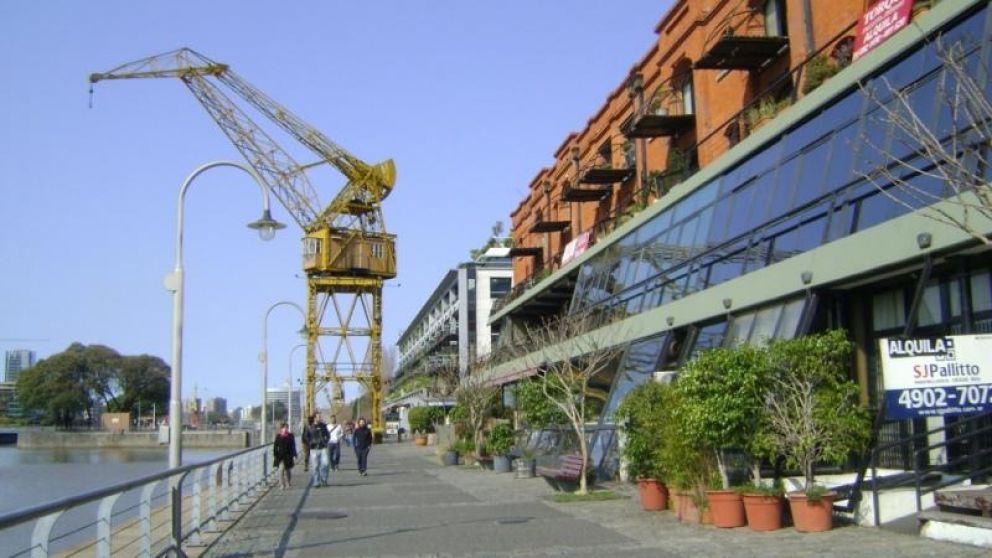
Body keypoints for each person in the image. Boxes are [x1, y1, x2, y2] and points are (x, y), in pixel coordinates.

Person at [307, 414, 331, 487]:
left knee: (326, 464)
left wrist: (325, 440)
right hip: (314, 449)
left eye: (320, 417)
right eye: (318, 417)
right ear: (314, 418)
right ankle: (316, 482)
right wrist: (311, 443)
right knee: (315, 466)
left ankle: (324, 479)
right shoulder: (309, 427)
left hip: (323, 447)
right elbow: (305, 437)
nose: (320, 418)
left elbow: (328, 435)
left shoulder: (323, 426)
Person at [272, 422, 297, 490]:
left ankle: (288, 482)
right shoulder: (278, 436)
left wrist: (294, 454)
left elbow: (293, 445)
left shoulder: (290, 436)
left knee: (287, 470)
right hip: (280, 456)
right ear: (281, 429)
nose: (285, 429)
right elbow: (275, 446)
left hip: (288, 456)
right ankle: (282, 484)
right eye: (284, 428)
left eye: (286, 428)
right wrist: (275, 454)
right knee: (281, 470)